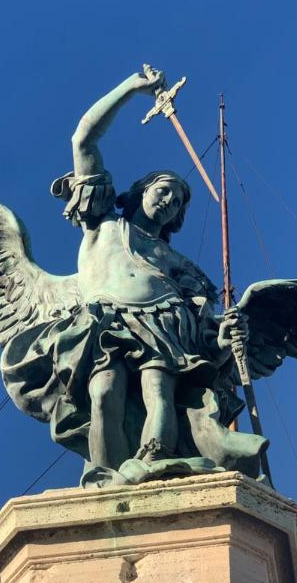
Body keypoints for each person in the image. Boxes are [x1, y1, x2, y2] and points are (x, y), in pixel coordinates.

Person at [43, 69, 268, 485]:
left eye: (177, 201)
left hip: (164, 326)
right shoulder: (104, 224)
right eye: (163, 190)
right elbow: (83, 140)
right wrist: (131, 87)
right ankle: (105, 474)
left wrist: (224, 337)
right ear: (142, 189)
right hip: (108, 322)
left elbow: (207, 342)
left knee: (160, 394)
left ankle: (156, 457)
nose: (168, 201)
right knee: (105, 392)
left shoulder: (181, 267)